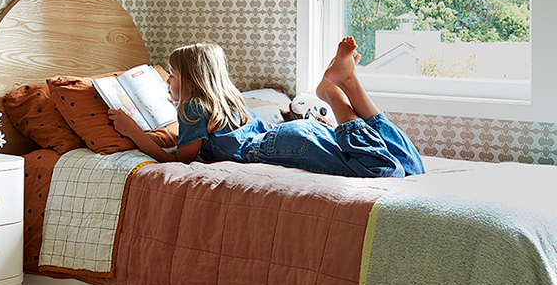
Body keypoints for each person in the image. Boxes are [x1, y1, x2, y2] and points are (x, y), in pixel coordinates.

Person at [108, 37, 424, 179]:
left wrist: (134, 131)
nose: (168, 82)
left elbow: (176, 160)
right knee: (410, 165)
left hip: (283, 145)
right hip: (291, 134)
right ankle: (349, 84)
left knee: (381, 169)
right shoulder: (228, 100)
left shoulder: (192, 107)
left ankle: (334, 93)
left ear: (190, 80)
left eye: (172, 76)